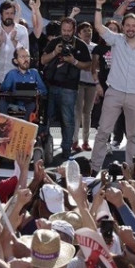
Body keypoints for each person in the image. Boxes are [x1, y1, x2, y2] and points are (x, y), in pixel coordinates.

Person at [91, 0, 135, 173]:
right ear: (123, 27)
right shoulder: (116, 40)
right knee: (103, 132)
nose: (130, 28)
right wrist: (98, 5)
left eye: (133, 26)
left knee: (133, 136)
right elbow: (98, 26)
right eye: (127, 25)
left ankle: (132, 172)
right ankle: (94, 168)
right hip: (114, 92)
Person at [40, 16, 91, 163]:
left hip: (70, 87)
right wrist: (55, 52)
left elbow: (88, 65)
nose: (66, 33)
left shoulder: (80, 45)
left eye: (69, 30)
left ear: (74, 30)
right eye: (64, 30)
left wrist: (73, 61)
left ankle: (67, 149)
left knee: (68, 120)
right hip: (51, 85)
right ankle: (45, 147)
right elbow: (43, 60)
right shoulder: (55, 42)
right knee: (47, 118)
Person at [0, 0, 29, 111]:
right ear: (0, 14)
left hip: (14, 80)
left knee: (13, 116)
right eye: (7, 13)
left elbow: (25, 57)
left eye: (12, 13)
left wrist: (14, 41)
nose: (9, 16)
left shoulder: (22, 30)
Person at [92, 20, 126, 150]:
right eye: (109, 29)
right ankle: (105, 141)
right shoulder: (98, 48)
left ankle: (118, 139)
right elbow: (94, 69)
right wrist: (97, 85)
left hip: (120, 86)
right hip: (104, 85)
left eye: (114, 29)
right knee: (103, 115)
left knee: (120, 114)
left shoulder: (123, 47)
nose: (111, 31)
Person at [0, 47, 47, 121]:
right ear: (16, 61)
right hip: (13, 102)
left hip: (29, 103)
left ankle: (25, 127)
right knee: (2, 102)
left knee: (32, 105)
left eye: (27, 56)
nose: (26, 59)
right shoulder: (12, 74)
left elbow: (44, 90)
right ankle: (5, 126)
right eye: (22, 57)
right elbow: (4, 88)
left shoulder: (34, 73)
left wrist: (36, 92)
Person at [72, 20, 97, 153]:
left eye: (89, 30)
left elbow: (97, 65)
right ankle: (74, 140)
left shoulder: (95, 47)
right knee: (77, 112)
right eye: (85, 31)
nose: (88, 33)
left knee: (87, 113)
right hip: (79, 82)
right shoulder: (77, 45)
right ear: (79, 34)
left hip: (92, 83)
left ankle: (86, 141)